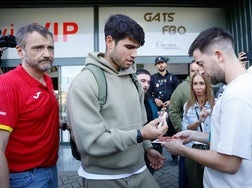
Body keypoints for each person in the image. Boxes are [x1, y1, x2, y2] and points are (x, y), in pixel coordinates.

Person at [66, 14, 168, 188]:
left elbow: (140, 123)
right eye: (129, 47)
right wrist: (140, 135)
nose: (134, 54)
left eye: (137, 48)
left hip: (140, 171)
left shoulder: (134, 79)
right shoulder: (85, 82)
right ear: (110, 41)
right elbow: (91, 143)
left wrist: (147, 148)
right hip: (103, 178)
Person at [163, 27, 252, 187]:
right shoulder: (245, 86)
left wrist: (182, 150)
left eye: (201, 64)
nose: (202, 73)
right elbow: (234, 140)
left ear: (218, 56)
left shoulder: (237, 96)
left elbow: (229, 163)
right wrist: (195, 135)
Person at [0, 23, 61, 188]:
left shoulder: (46, 79)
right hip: (24, 179)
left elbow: (35, 116)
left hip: (51, 171)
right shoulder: (7, 85)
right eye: (38, 48)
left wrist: (67, 125)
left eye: (50, 48)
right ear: (20, 51)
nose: (47, 54)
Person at [168, 60, 199, 188]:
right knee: (186, 179)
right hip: (188, 143)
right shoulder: (181, 89)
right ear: (189, 72)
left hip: (206, 143)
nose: (196, 73)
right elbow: (173, 111)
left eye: (198, 70)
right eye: (193, 71)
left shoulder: (207, 86)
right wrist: (181, 129)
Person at [181, 72, 214, 188]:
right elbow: (184, 129)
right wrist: (198, 121)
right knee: (195, 183)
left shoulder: (216, 105)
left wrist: (212, 113)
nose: (198, 87)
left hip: (212, 148)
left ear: (207, 85)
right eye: (195, 84)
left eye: (201, 83)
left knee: (212, 183)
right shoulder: (187, 106)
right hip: (193, 149)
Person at [149, 56, 179, 166]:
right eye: (158, 63)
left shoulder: (173, 78)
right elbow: (149, 93)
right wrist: (155, 99)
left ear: (165, 64)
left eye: (162, 63)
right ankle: (158, 158)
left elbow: (178, 92)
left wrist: (171, 100)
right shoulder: (152, 79)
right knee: (158, 135)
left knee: (171, 134)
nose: (160, 65)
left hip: (170, 111)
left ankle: (175, 157)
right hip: (157, 111)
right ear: (156, 66)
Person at [136, 69, 162, 175]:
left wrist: (160, 116)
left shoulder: (149, 98)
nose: (146, 84)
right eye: (142, 81)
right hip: (137, 149)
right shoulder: (130, 101)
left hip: (152, 145)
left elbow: (152, 116)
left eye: (148, 82)